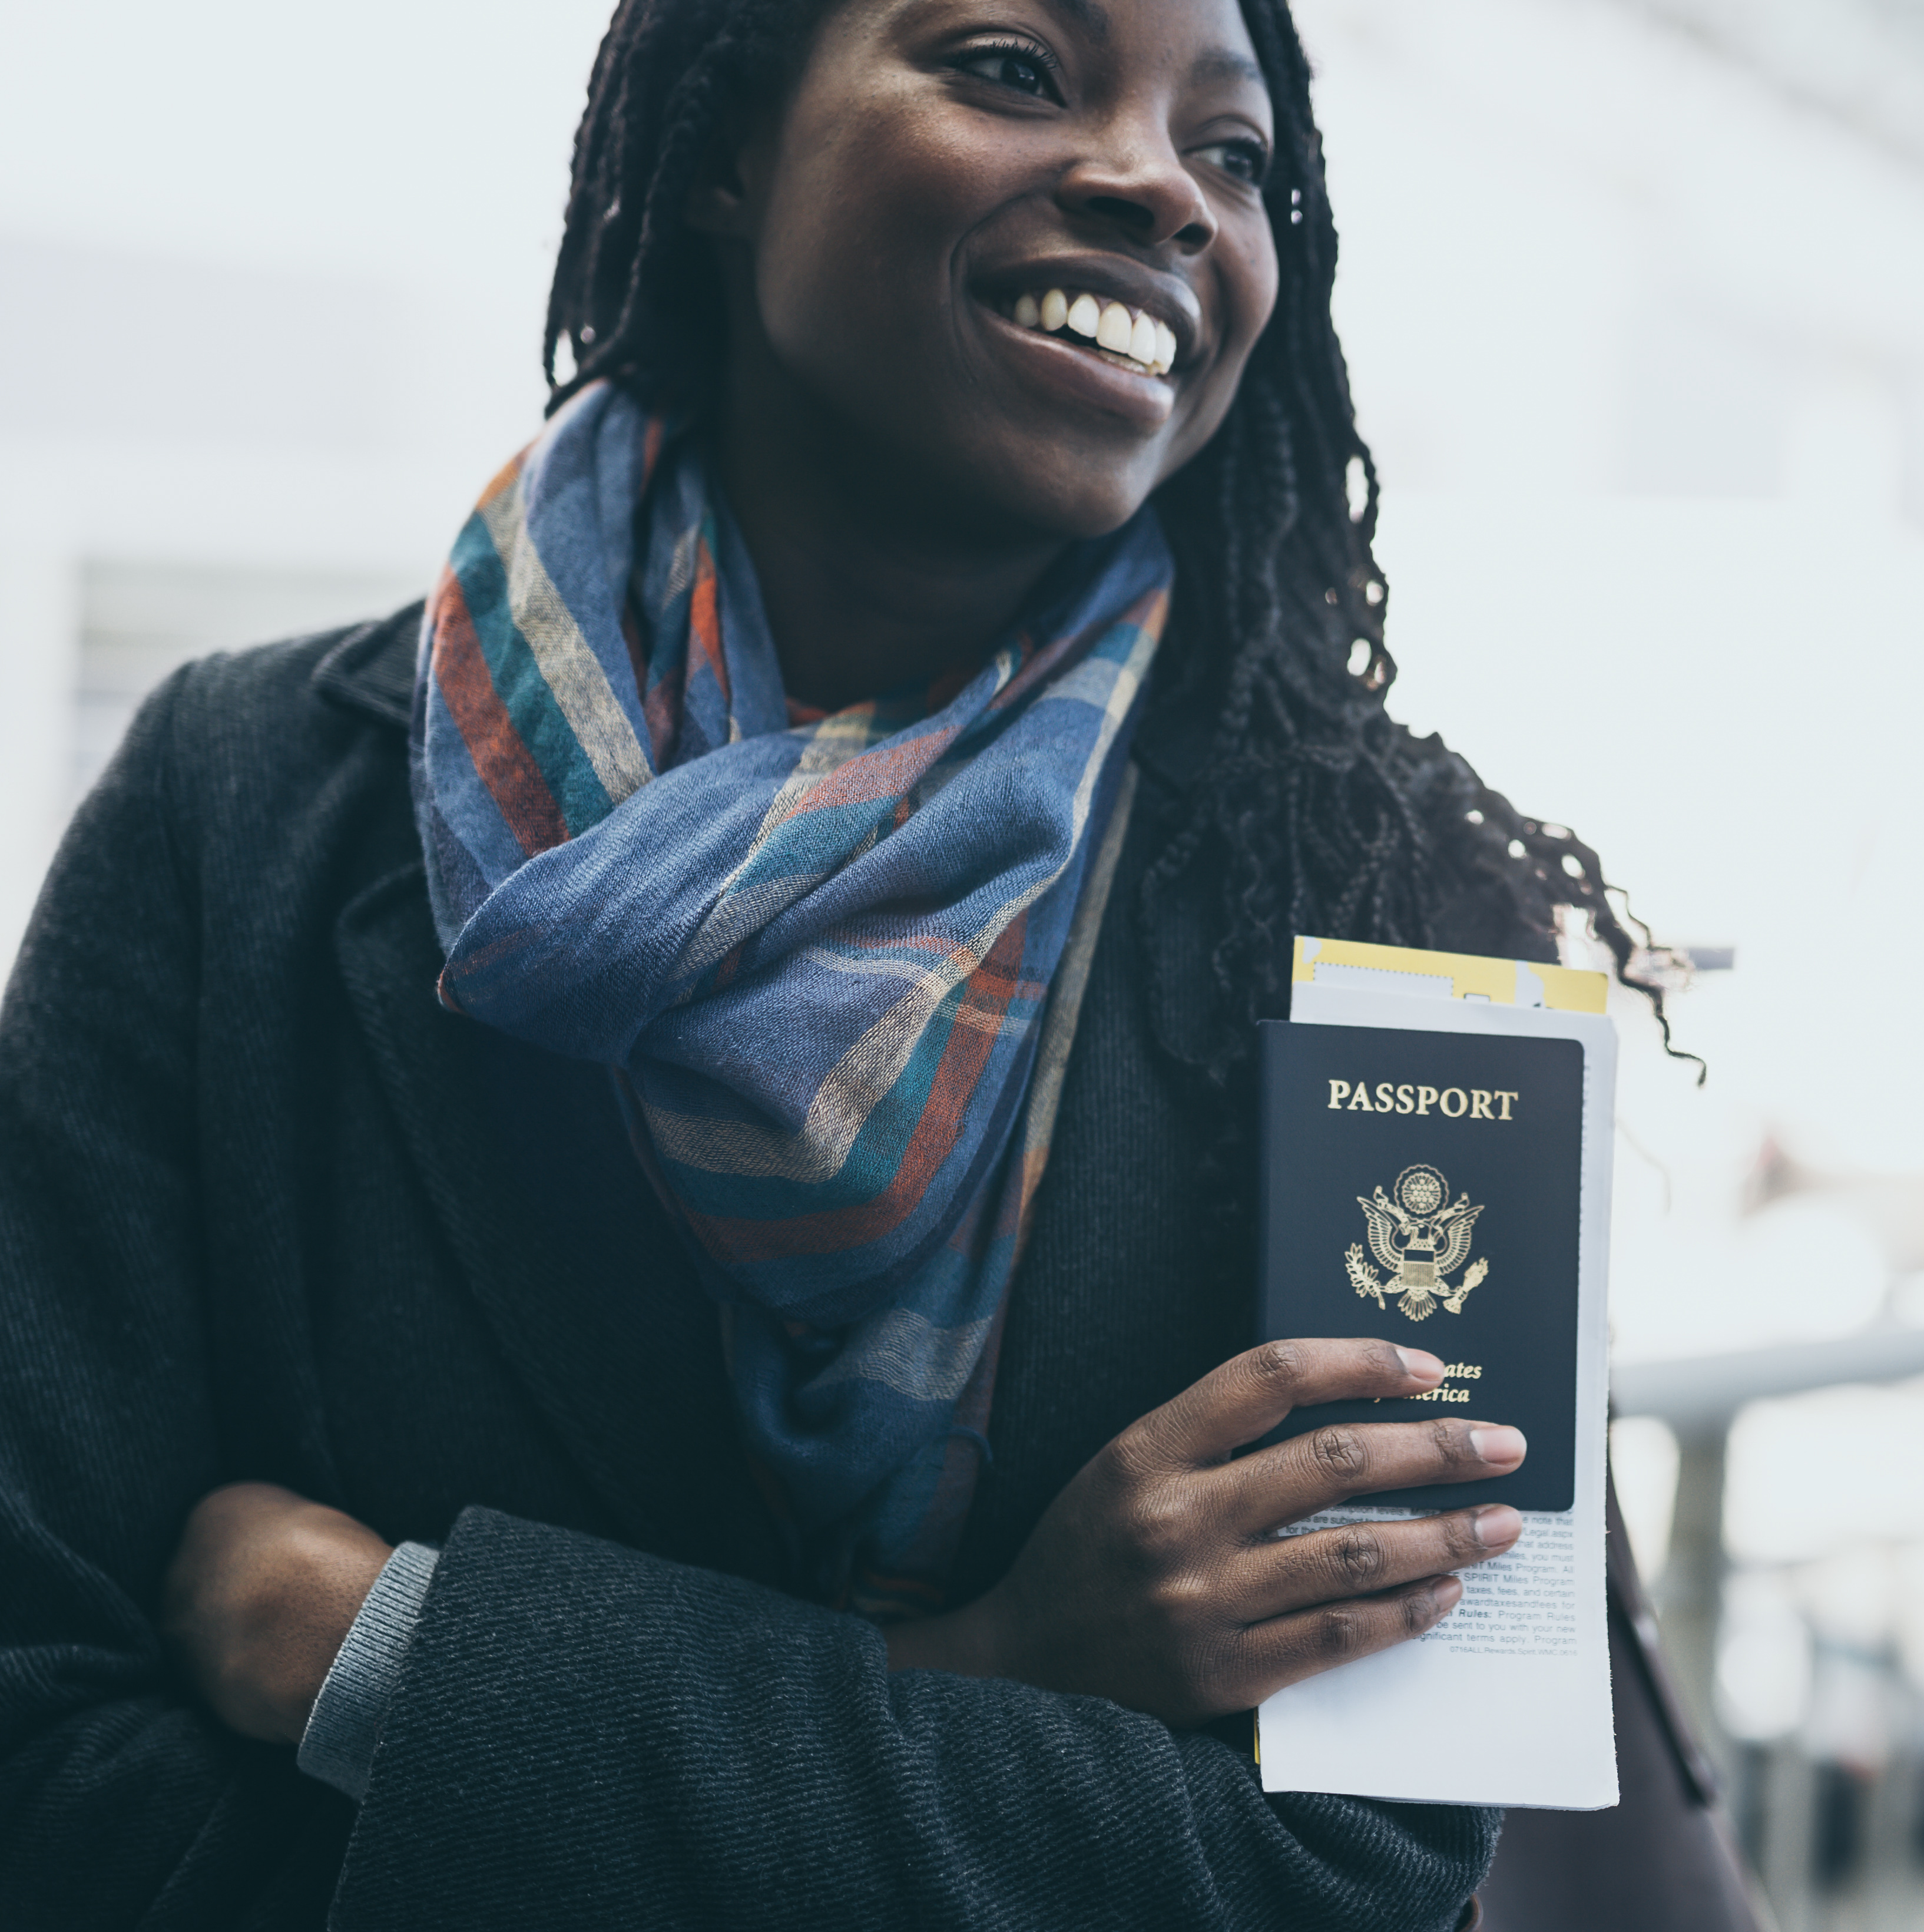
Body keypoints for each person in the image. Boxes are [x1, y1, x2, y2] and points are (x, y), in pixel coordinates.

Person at [0, 1, 1758, 1926]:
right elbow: (45, 1767)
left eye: (1236, 154)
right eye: (1012, 65)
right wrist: (991, 1673)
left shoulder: (1399, 914)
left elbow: (1356, 1874)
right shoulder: (237, 799)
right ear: (728, 150)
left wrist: (411, 1662)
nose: (1158, 184)